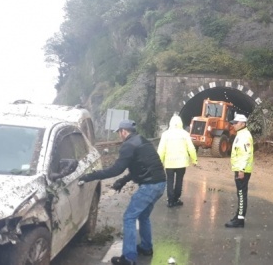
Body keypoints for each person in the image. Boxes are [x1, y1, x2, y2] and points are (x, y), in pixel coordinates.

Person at [79, 119, 166, 265]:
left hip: (149, 186)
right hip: (160, 183)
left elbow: (115, 170)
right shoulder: (142, 141)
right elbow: (142, 165)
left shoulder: (128, 145)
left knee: (129, 217)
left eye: (119, 132)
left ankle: (129, 258)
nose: (119, 135)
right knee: (143, 216)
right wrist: (124, 180)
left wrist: (90, 176)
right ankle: (146, 248)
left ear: (123, 132)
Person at [157, 113, 198, 207]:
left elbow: (161, 149)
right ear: (181, 123)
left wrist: (159, 162)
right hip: (181, 163)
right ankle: (176, 198)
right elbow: (191, 148)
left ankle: (170, 201)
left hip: (169, 163)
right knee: (179, 181)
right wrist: (194, 160)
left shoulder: (165, 134)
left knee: (170, 181)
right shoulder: (185, 134)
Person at [225, 113, 254, 228]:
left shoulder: (245, 136)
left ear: (243, 124)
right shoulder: (240, 134)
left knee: (242, 195)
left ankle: (240, 220)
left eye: (236, 123)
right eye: (233, 123)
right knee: (240, 194)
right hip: (239, 169)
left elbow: (246, 154)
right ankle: (238, 216)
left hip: (243, 170)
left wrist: (241, 170)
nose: (234, 125)